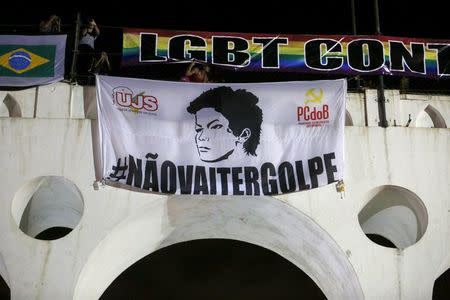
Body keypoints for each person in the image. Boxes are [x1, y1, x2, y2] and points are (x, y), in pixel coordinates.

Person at [186, 86, 263, 163]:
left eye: (215, 127)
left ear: (244, 135)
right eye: (198, 130)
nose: (201, 137)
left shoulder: (263, 171)